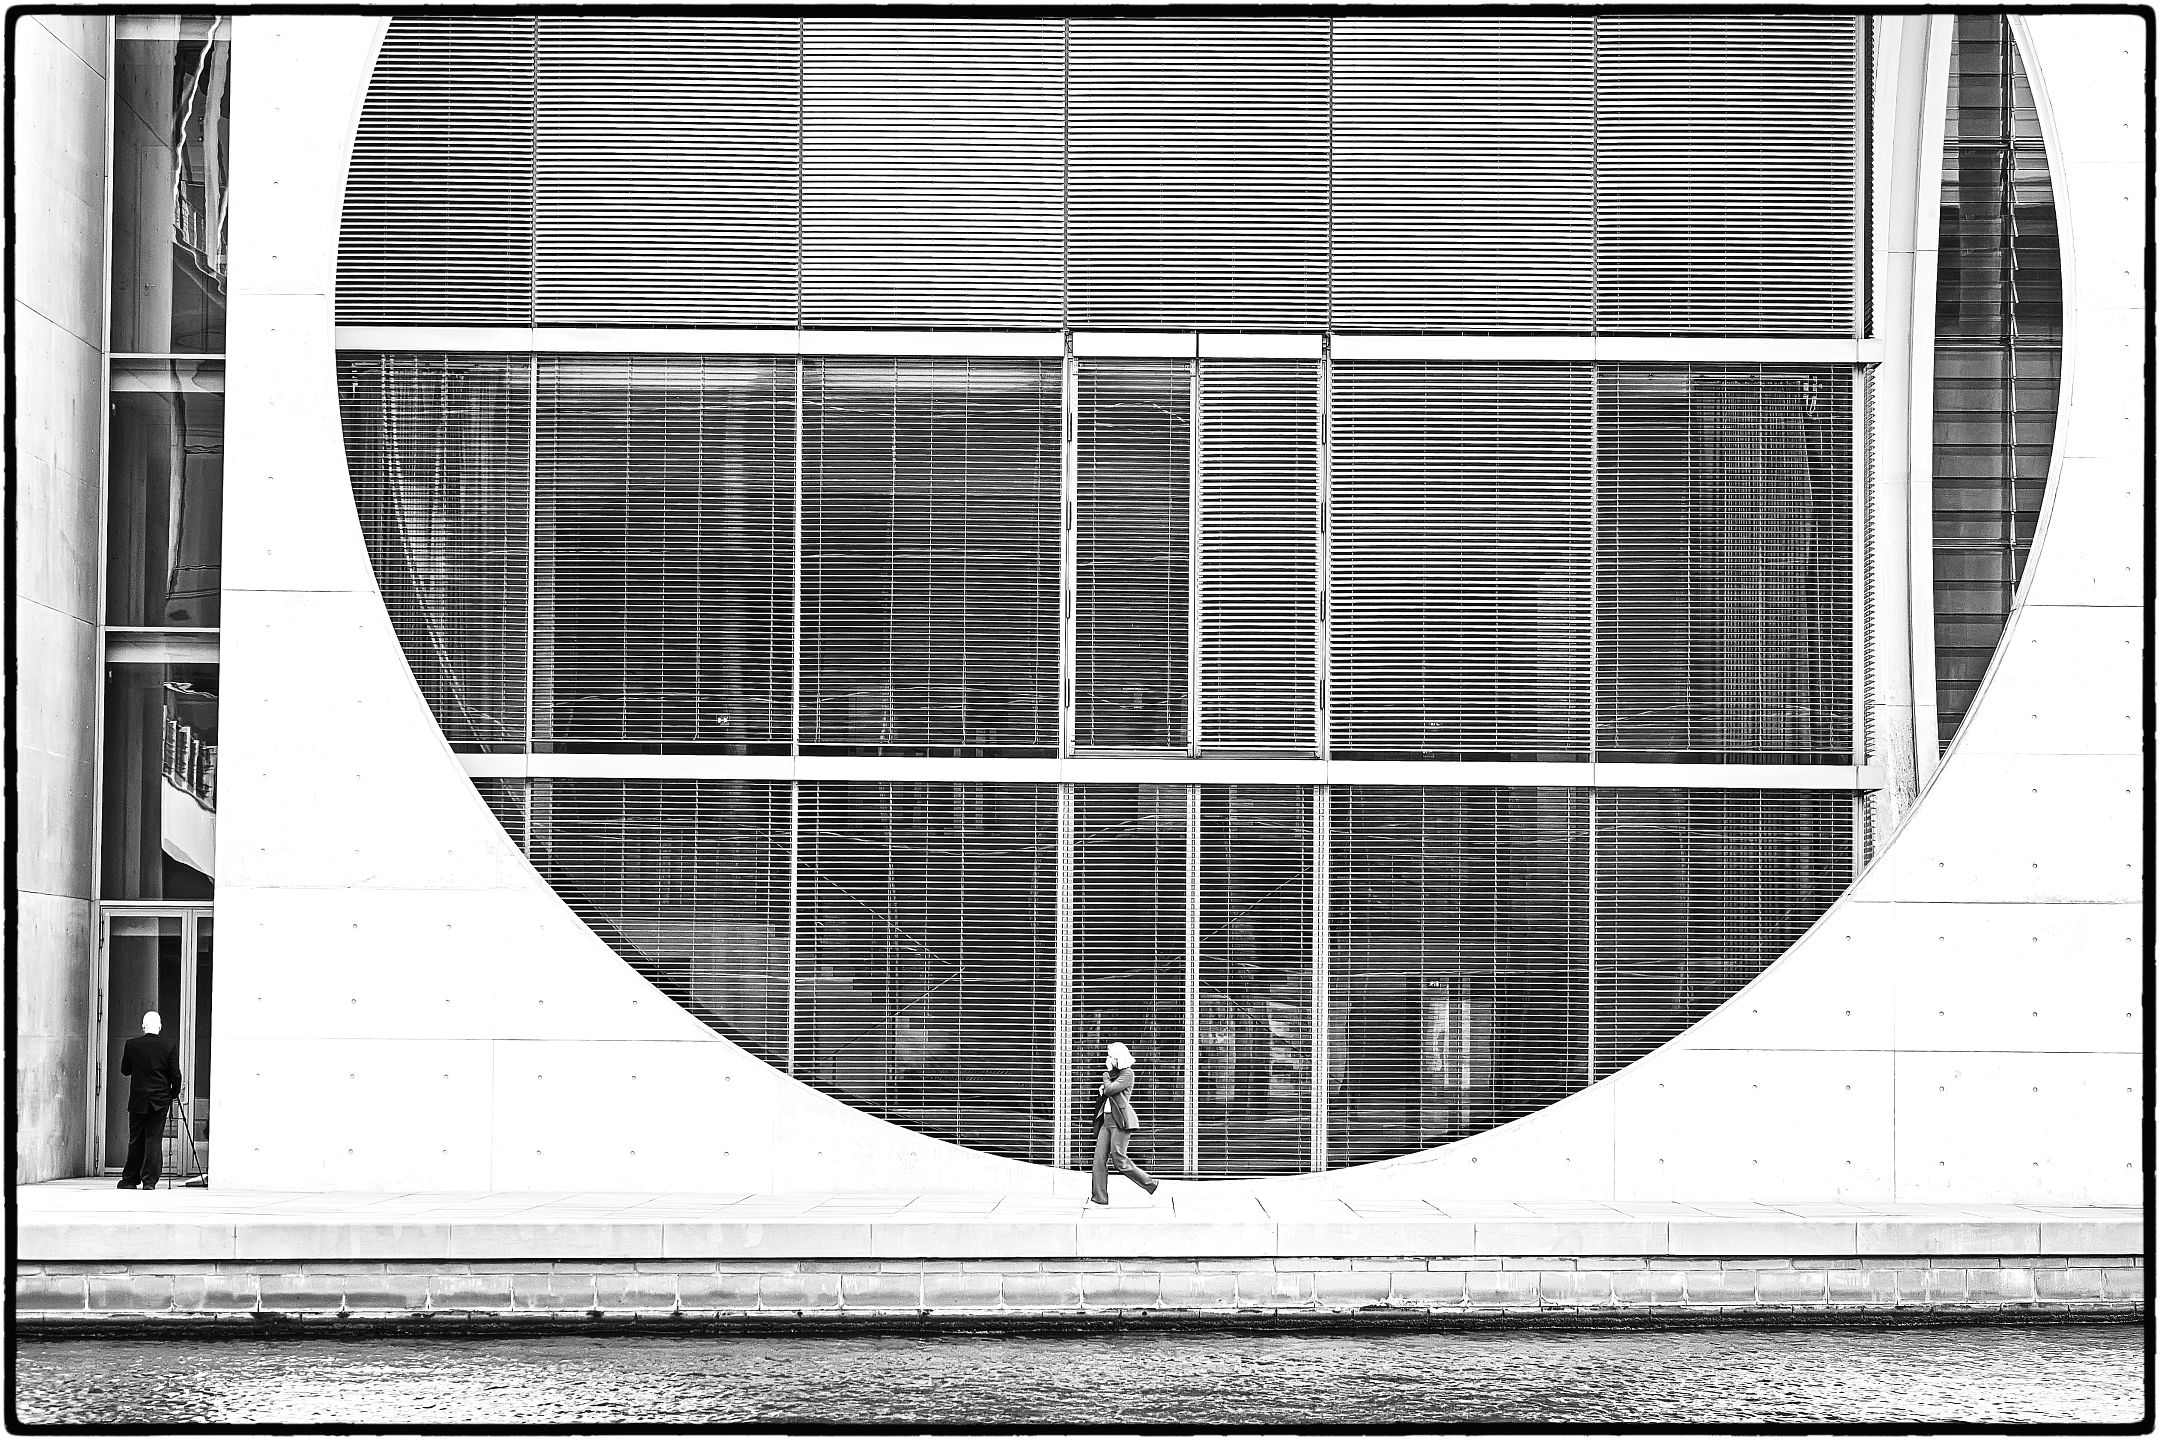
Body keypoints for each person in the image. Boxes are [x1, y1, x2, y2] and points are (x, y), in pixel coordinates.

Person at [117, 1011, 182, 1190]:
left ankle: (130, 1179)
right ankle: (149, 1181)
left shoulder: (132, 1044)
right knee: (153, 1139)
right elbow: (175, 1074)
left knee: (136, 1139)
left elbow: (125, 1070)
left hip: (138, 1098)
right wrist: (173, 1093)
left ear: (143, 1027)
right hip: (160, 1099)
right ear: (160, 1027)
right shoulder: (168, 1046)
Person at [1089, 1040, 1159, 1206]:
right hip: (1106, 1121)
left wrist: (1105, 1078)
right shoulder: (1113, 1075)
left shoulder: (1128, 1074)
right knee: (1098, 1160)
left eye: (1110, 1056)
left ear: (1118, 1058)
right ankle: (1099, 1198)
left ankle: (1151, 1184)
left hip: (1120, 1122)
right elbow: (1108, 1091)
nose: (1108, 1059)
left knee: (1119, 1160)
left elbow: (1110, 1089)